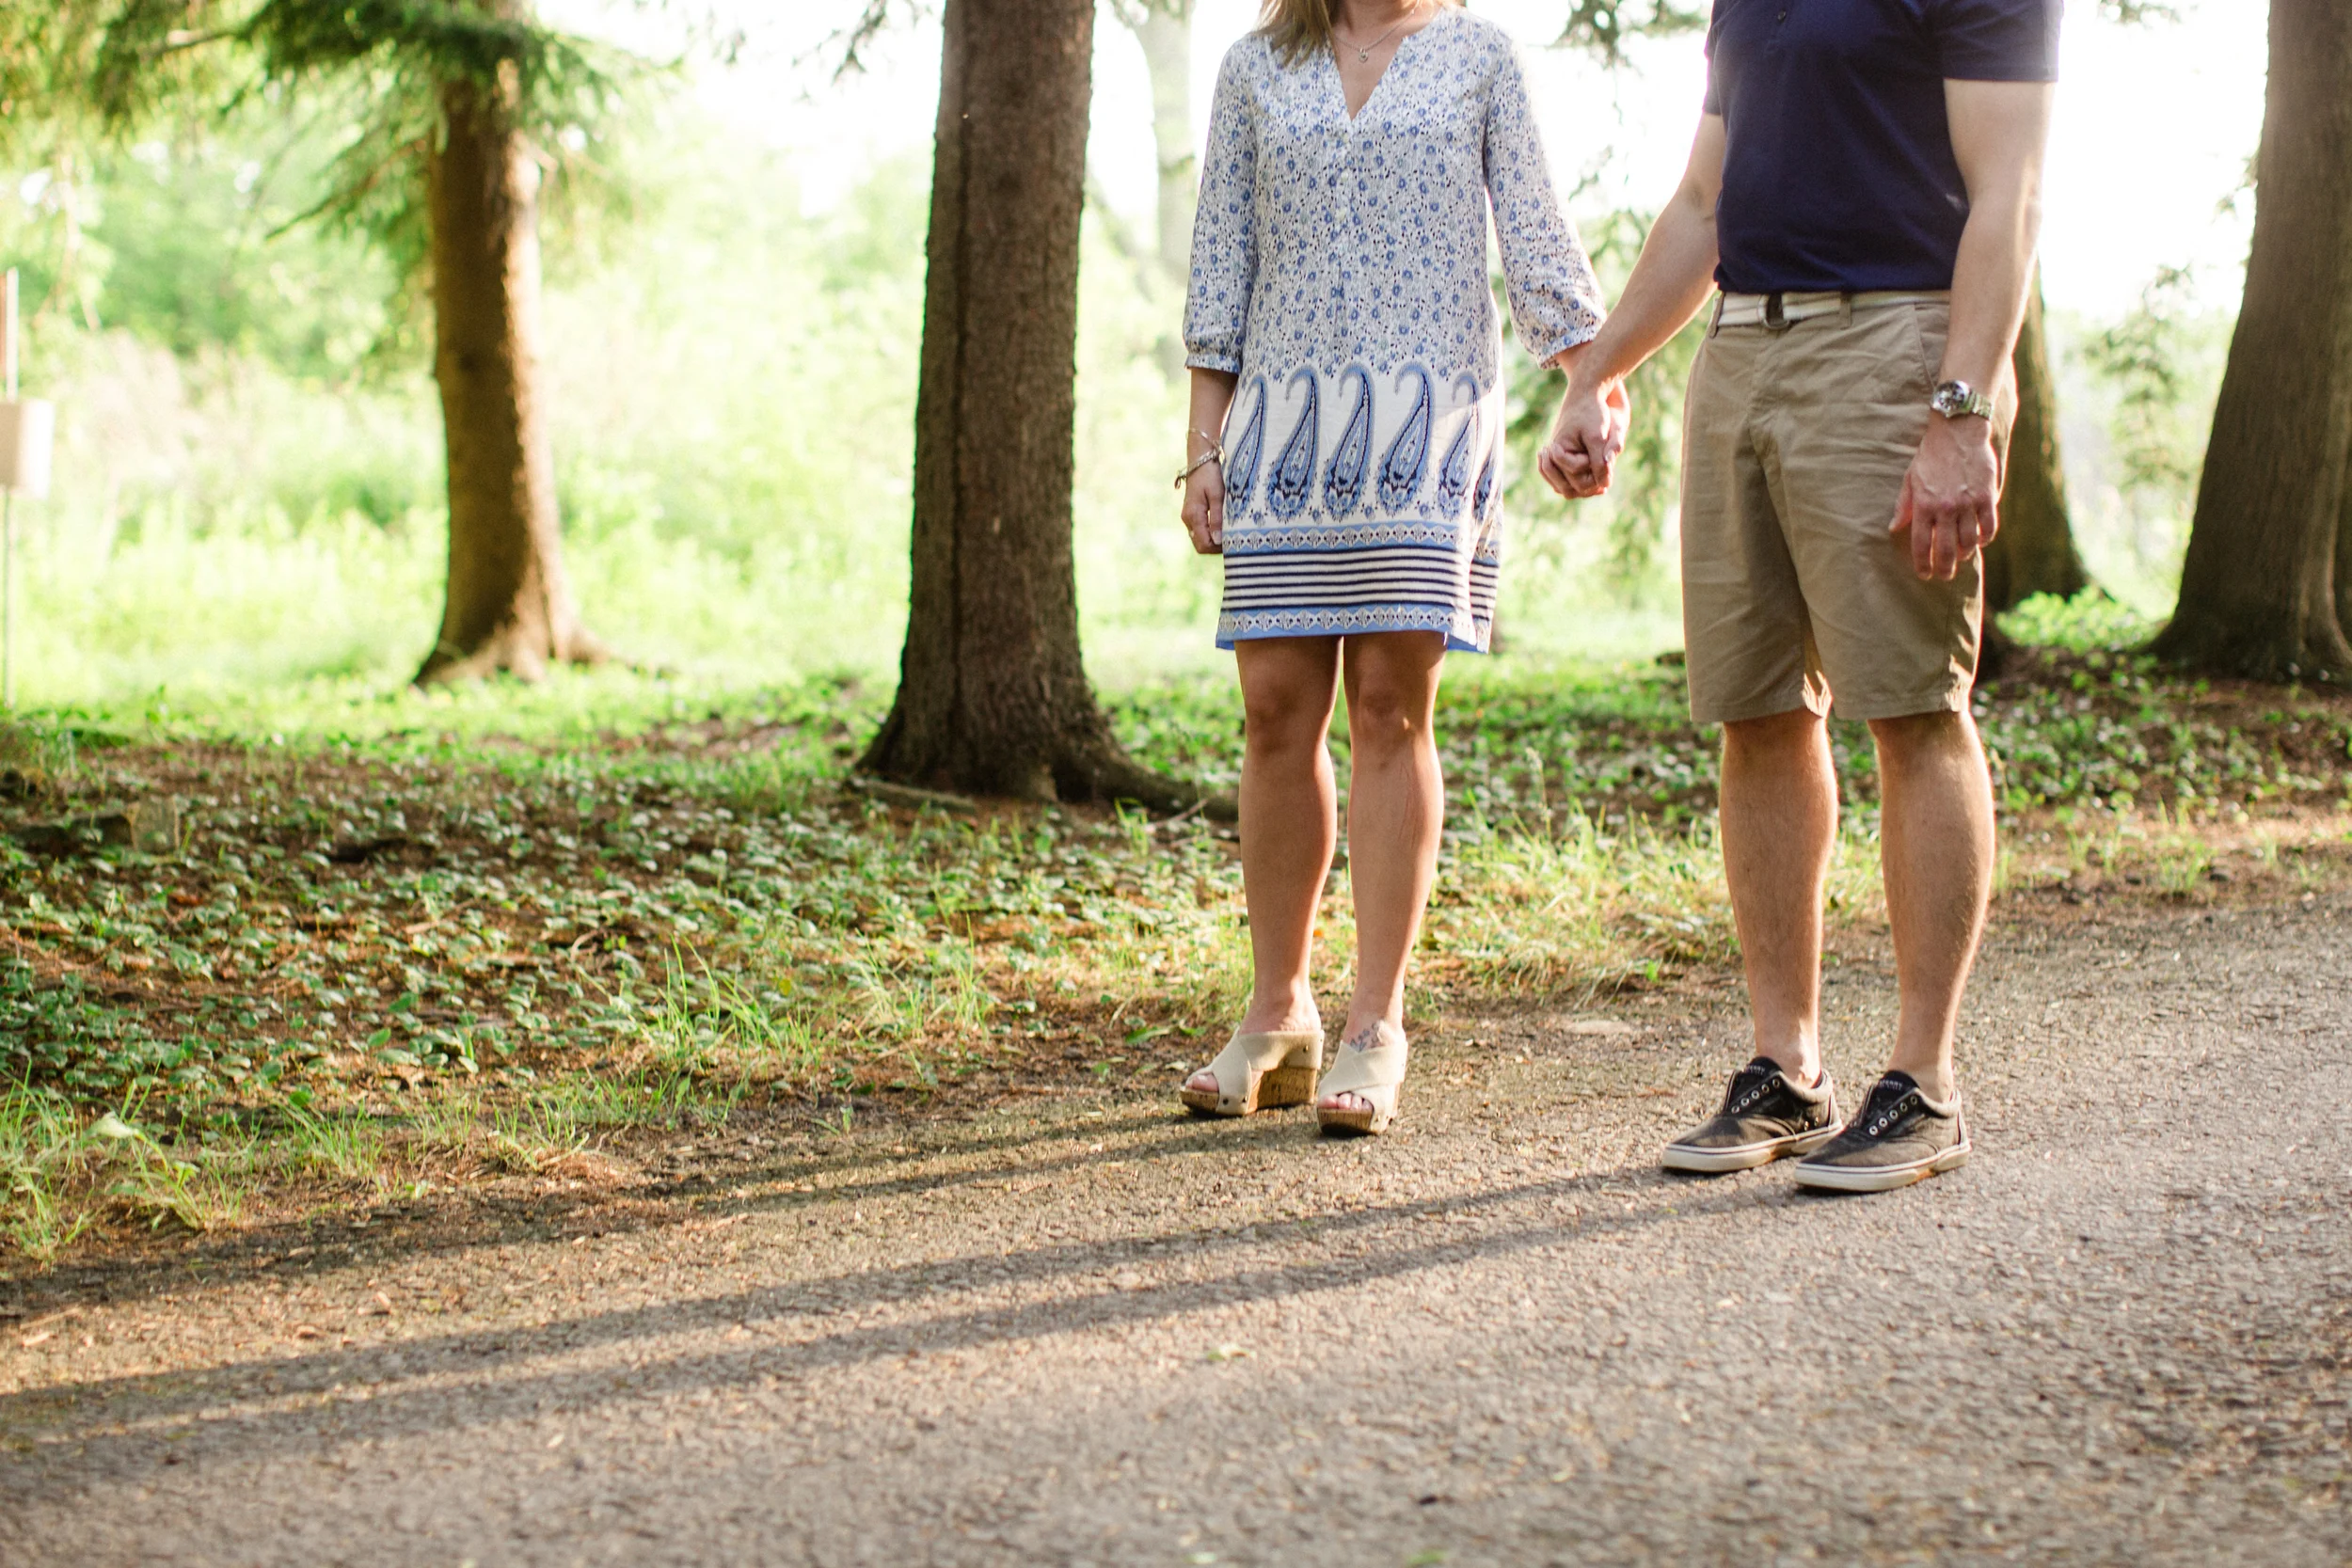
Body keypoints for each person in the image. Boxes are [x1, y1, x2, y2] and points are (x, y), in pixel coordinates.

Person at [1541, 0, 2059, 1190]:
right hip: (1740, 353)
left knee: (1912, 703)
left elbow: (2008, 197)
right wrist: (1596, 371)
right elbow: (1700, 204)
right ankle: (1785, 1067)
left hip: (1889, 347)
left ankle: (1923, 1083)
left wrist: (1961, 408)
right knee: (1760, 709)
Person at [1176, 0, 1615, 1135]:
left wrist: (1589, 379)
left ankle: (1375, 1021)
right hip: (1278, 428)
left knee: (1388, 709)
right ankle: (1276, 1014)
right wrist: (1199, 450)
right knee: (1274, 711)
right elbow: (1220, 264)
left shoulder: (1477, 58)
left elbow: (1533, 233)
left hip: (1421, 428)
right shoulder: (1255, 67)